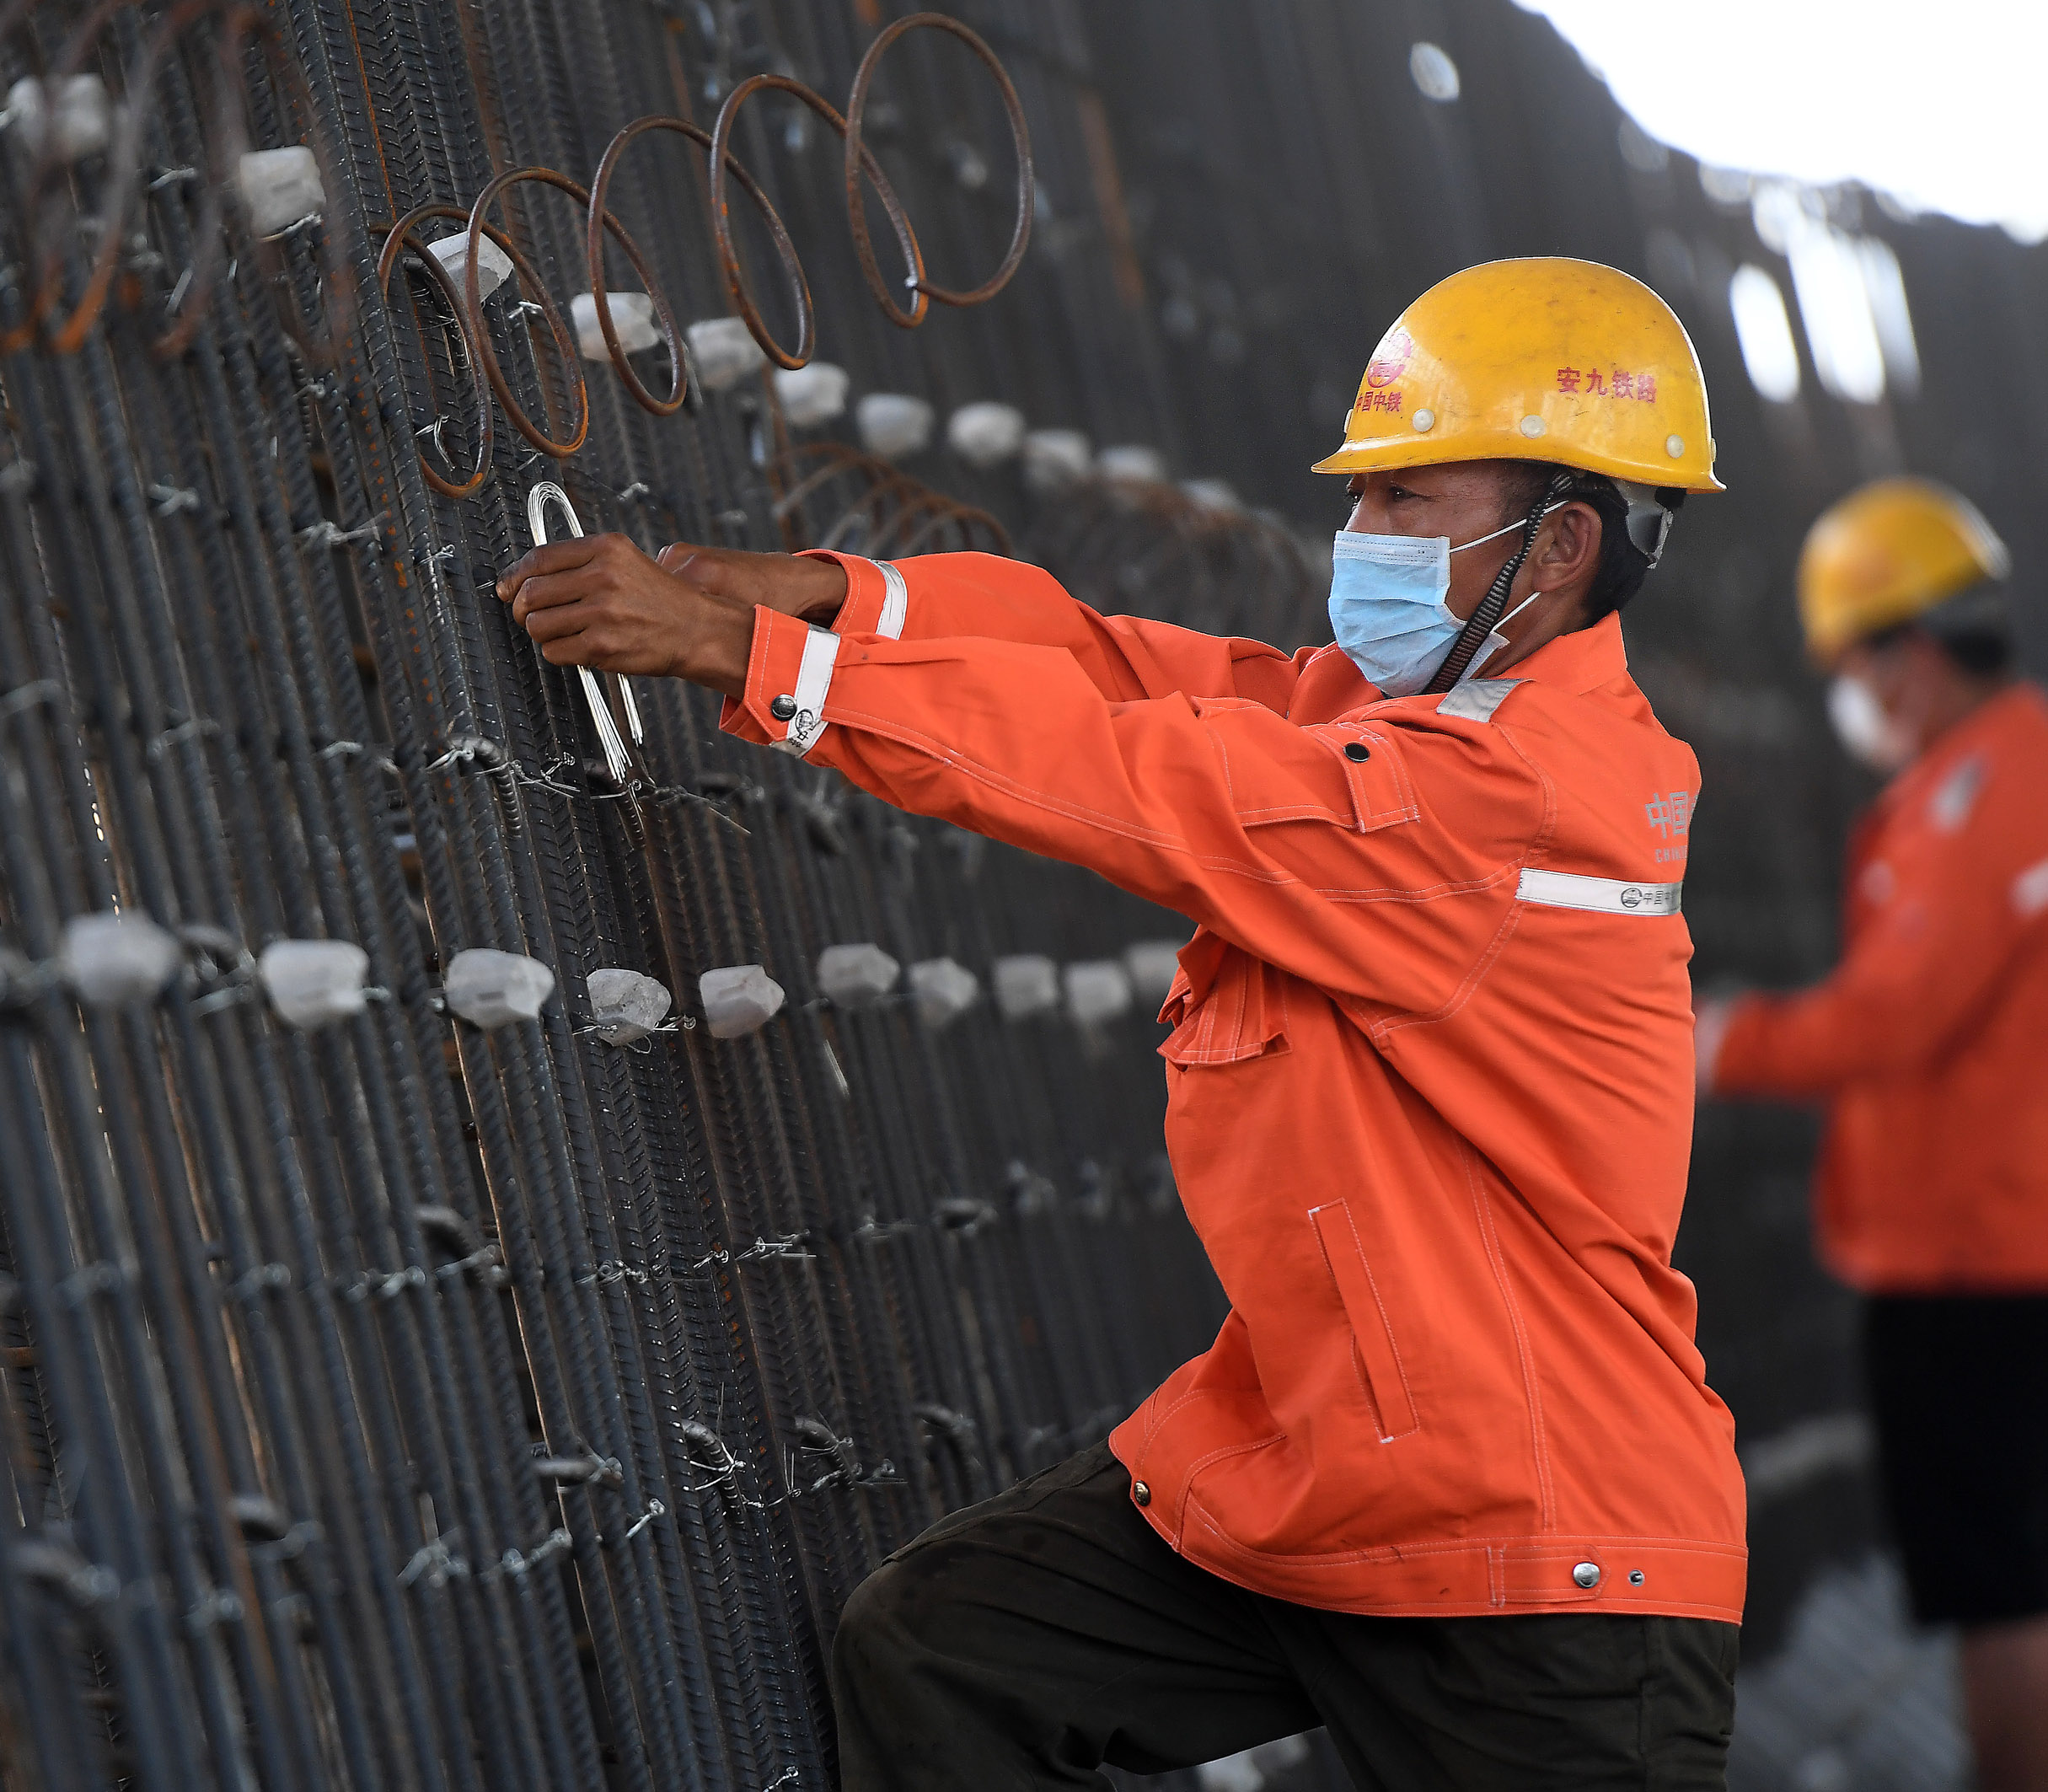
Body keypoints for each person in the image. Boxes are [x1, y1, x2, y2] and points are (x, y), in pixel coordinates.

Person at [498, 258, 1744, 1788]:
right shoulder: (1412, 724)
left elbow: (1141, 773)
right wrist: (839, 598)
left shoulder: (1518, 796)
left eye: (1410, 499)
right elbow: (1124, 668)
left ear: (1556, 542)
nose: (1358, 538)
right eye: (1364, 497)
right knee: (945, 1649)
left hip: (1545, 1557)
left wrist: (751, 660)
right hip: (1332, 1490)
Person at [1698, 478, 2048, 1792]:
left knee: (1996, 1584)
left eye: (1848, 663)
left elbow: (1897, 1014)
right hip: (1977, 1238)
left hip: (1977, 1256)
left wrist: (1718, 1041)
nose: (1848, 693)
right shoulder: (1983, 775)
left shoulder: (1986, 789)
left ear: (1902, 653)